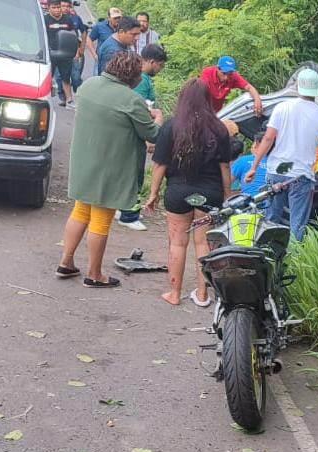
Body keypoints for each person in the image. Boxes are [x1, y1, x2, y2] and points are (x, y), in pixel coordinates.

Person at [57, 52, 162, 288]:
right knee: (101, 220)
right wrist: (157, 118)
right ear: (133, 76)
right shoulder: (130, 99)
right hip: (110, 166)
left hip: (84, 160)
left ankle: (66, 261)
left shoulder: (89, 86)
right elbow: (152, 134)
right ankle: (94, 274)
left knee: (81, 211)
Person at [144, 80, 236, 307]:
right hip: (210, 193)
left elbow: (160, 165)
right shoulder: (219, 128)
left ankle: (174, 293)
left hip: (178, 192)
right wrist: (226, 195)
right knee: (204, 243)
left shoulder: (172, 126)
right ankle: (203, 295)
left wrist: (153, 194)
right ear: (209, 100)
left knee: (177, 243)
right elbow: (225, 167)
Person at [245, 68, 318, 241]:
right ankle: (293, 264)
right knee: (298, 225)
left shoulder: (282, 108)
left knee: (271, 219)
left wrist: (254, 167)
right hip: (301, 176)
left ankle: (268, 257)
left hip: (276, 172)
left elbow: (269, 138)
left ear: (298, 86)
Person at [115, 43, 167, 232]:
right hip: (138, 132)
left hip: (138, 130)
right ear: (152, 62)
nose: (160, 70)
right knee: (133, 175)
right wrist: (150, 136)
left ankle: (123, 209)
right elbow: (138, 110)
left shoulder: (142, 79)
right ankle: (129, 215)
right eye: (160, 66)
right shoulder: (141, 81)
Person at [43, 0, 82, 107]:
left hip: (65, 53)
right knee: (47, 77)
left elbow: (74, 35)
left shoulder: (67, 19)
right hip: (50, 53)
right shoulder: (45, 20)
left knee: (66, 77)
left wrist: (77, 51)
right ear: (49, 8)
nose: (57, 10)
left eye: (58, 7)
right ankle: (44, 98)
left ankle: (69, 100)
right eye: (54, 8)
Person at [198, 56, 263, 115]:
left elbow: (249, 87)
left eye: (229, 74)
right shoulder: (207, 73)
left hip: (218, 112)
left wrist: (257, 100)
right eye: (224, 73)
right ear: (218, 68)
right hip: (203, 109)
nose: (226, 77)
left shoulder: (233, 76)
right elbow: (201, 94)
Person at [231, 128, 269, 199]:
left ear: (257, 143)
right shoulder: (276, 162)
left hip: (250, 204)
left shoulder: (243, 161)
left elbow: (227, 183)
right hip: (273, 202)